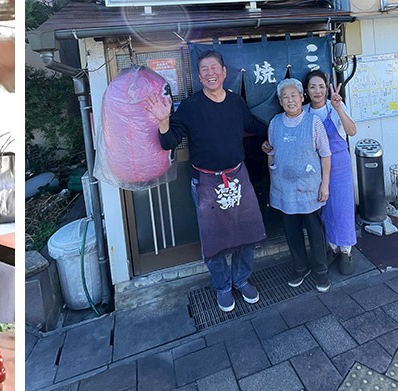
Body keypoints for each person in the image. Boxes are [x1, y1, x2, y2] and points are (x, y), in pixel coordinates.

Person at [148, 50, 268, 312]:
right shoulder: (191, 106)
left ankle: (241, 279)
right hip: (205, 182)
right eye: (204, 69)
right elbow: (169, 142)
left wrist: (282, 126)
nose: (210, 73)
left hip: (238, 177)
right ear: (199, 76)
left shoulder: (235, 102)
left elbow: (253, 124)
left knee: (247, 231)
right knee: (214, 238)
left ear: (224, 73)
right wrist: (164, 121)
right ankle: (223, 287)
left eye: (214, 68)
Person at [267, 79, 332, 292]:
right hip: (284, 188)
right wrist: (273, 179)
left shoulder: (313, 122)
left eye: (294, 95)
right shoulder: (275, 122)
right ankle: (300, 267)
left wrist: (325, 185)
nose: (290, 100)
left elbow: (325, 155)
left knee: (315, 232)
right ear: (280, 101)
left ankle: (321, 271)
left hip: (309, 188)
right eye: (285, 97)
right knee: (292, 231)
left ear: (302, 97)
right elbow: (271, 152)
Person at [305, 70, 357, 274]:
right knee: (325, 208)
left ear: (327, 89)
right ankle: (332, 247)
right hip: (316, 167)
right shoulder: (304, 112)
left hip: (340, 164)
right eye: (312, 87)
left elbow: (352, 131)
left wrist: (338, 108)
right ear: (306, 91)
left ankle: (346, 251)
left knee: (343, 207)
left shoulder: (335, 106)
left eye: (321, 86)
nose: (317, 91)